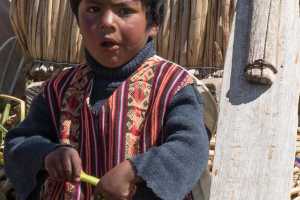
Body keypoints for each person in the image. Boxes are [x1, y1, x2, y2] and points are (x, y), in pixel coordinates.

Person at [4, 0, 209, 199]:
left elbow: (190, 146)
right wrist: (47, 154)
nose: (107, 21)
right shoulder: (59, 88)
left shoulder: (172, 86)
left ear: (153, 23)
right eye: (93, 8)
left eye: (124, 11)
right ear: (77, 20)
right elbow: (19, 142)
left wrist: (136, 171)